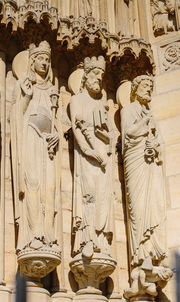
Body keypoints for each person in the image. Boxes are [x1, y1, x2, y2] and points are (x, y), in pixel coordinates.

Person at [10, 41, 61, 255]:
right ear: (32, 61)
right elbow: (15, 115)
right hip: (30, 138)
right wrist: (26, 97)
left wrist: (56, 134)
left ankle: (48, 234)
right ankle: (33, 235)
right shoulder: (23, 85)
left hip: (47, 145)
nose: (45, 63)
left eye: (47, 60)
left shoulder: (52, 90)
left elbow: (55, 120)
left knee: (49, 189)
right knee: (32, 184)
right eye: (41, 58)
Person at [121, 75, 168, 272]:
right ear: (135, 89)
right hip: (136, 164)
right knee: (139, 207)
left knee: (156, 205)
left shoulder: (152, 116)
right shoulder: (128, 110)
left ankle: (155, 253)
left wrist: (156, 146)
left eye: (151, 87)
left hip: (151, 166)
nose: (148, 90)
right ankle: (142, 255)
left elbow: (162, 143)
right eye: (145, 86)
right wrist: (145, 123)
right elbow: (129, 132)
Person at [70, 56, 115, 260]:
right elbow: (77, 131)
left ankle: (102, 242)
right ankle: (87, 240)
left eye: (102, 75)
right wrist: (91, 152)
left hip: (103, 157)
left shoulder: (103, 105)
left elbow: (111, 135)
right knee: (89, 195)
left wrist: (106, 140)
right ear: (85, 76)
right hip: (88, 157)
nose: (99, 78)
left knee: (103, 199)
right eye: (95, 74)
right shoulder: (76, 100)